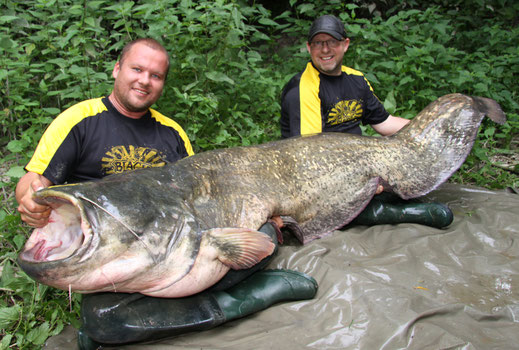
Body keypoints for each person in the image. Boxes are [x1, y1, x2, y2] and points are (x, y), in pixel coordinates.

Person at [16, 38, 317, 349]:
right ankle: (236, 298)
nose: (144, 81)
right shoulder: (79, 120)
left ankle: (235, 294)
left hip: (173, 249)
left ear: (162, 84)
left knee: (263, 233)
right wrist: (28, 198)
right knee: (102, 317)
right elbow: (34, 180)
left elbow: (199, 196)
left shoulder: (171, 132)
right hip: (112, 256)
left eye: (155, 75)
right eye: (137, 69)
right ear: (117, 68)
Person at [280, 15, 453, 228]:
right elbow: (309, 158)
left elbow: (385, 123)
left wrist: (431, 129)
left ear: (345, 45)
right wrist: (364, 179)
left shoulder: (357, 80)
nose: (325, 50)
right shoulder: (302, 89)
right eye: (318, 43)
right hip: (317, 174)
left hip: (359, 163)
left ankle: (380, 198)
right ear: (309, 48)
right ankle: (400, 212)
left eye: (332, 42)